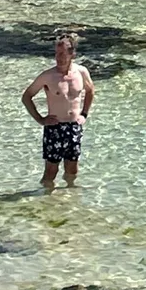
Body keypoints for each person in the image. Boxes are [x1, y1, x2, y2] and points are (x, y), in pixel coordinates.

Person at [22, 32, 95, 189]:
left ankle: (68, 198)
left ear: (72, 53)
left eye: (62, 53)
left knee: (72, 169)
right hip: (54, 127)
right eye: (56, 53)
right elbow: (27, 96)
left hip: (74, 127)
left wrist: (84, 114)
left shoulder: (81, 72)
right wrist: (40, 119)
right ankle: (44, 198)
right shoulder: (48, 76)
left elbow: (90, 91)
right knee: (51, 171)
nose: (58, 57)